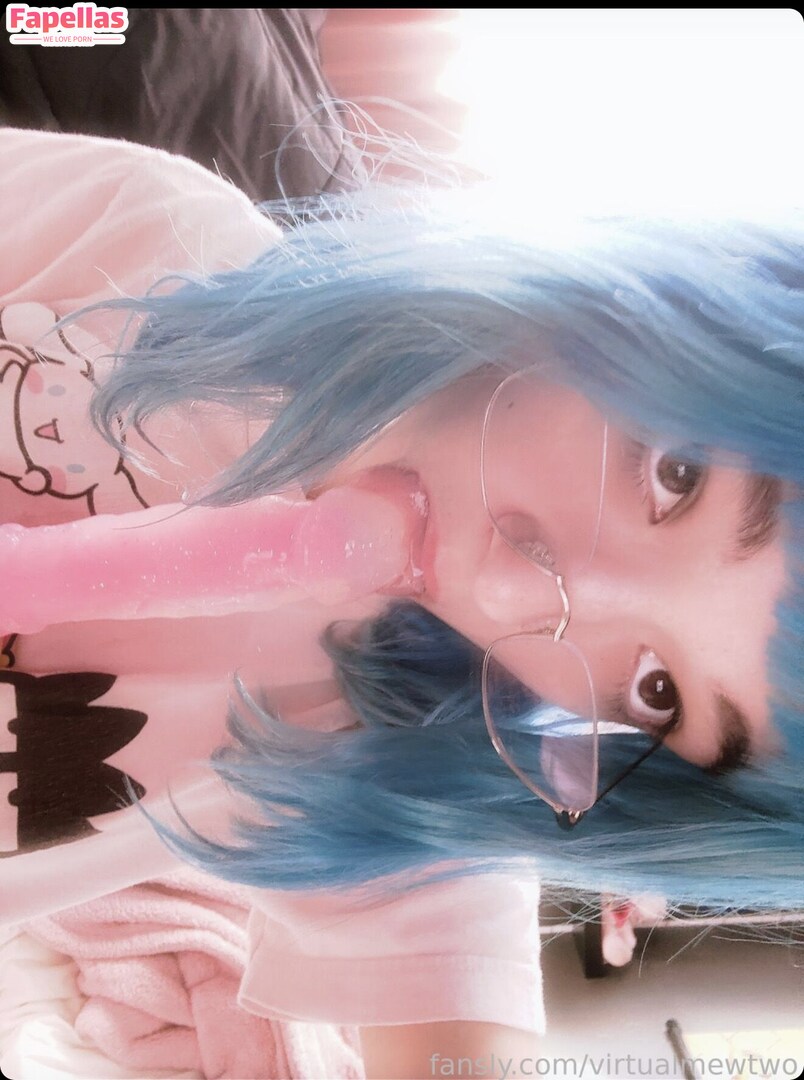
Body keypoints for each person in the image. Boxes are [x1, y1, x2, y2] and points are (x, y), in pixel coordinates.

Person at [1, 124, 802, 1076]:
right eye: (676, 475)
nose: (509, 591)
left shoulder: (392, 784)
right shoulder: (145, 237)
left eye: (657, 691)